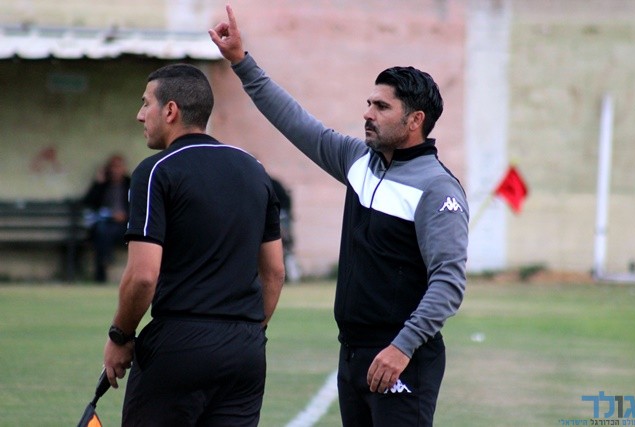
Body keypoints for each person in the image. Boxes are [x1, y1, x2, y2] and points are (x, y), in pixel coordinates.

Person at [210, 6, 469, 427]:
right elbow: (294, 121)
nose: (367, 113)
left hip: (401, 359)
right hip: (352, 354)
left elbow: (449, 283)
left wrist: (402, 347)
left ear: (415, 120)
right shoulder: (357, 160)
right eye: (369, 103)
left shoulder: (437, 188)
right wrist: (241, 61)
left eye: (381, 106)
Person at [102, 63, 285, 426]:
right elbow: (275, 272)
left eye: (146, 103)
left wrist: (120, 336)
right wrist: (249, 332)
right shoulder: (254, 170)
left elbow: (143, 276)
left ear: (170, 110)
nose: (140, 115)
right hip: (246, 350)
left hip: (179, 345)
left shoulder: (156, 171)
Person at [82, 154, 130, 282]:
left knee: (103, 233)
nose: (115, 170)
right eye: (113, 167)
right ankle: (104, 264)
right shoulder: (103, 185)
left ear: (124, 168)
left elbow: (139, 205)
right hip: (105, 223)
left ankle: (105, 260)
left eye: (118, 166)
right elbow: (88, 203)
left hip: (125, 225)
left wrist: (125, 216)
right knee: (102, 231)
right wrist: (98, 183)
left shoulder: (130, 183)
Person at [269, 176, 301, 282]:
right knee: (286, 248)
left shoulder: (270, 183)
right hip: (282, 217)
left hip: (281, 218)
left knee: (286, 248)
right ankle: (292, 276)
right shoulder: (272, 183)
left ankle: (293, 276)